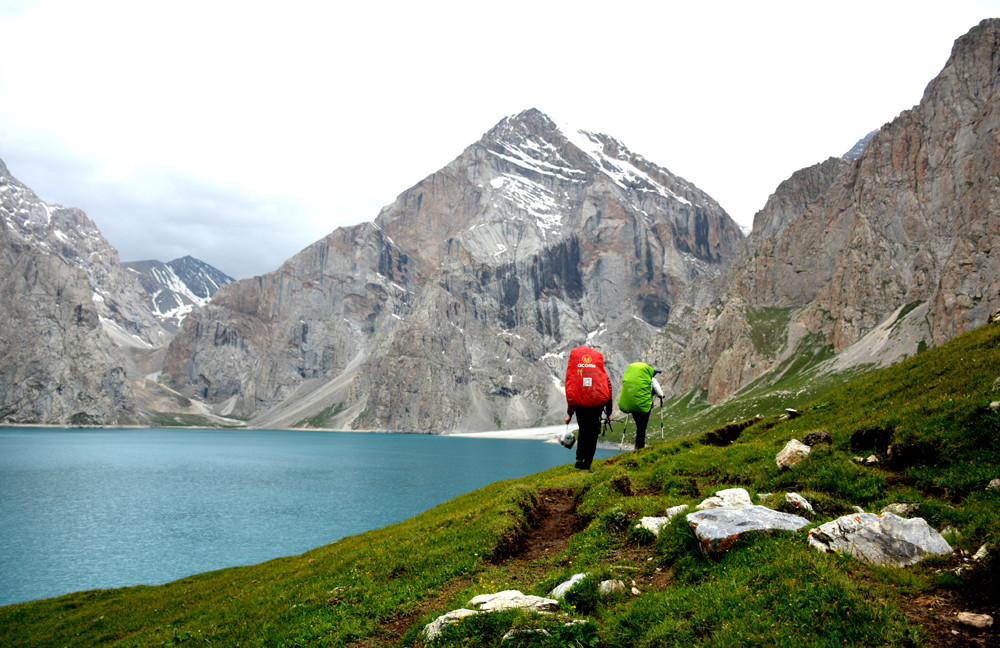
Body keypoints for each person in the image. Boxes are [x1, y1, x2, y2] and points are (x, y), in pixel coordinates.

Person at [564, 346, 613, 472]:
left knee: (583, 432)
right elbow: (609, 392)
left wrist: (570, 414)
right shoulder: (602, 376)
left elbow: (572, 393)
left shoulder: (577, 374)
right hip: (596, 408)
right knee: (593, 436)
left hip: (580, 408)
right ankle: (587, 464)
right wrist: (609, 413)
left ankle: (579, 459)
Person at [618, 362, 664, 450]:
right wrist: (662, 395)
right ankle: (639, 447)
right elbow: (660, 393)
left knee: (639, 425)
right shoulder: (652, 380)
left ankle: (638, 445)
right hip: (644, 406)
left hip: (633, 406)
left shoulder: (637, 380)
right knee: (642, 427)